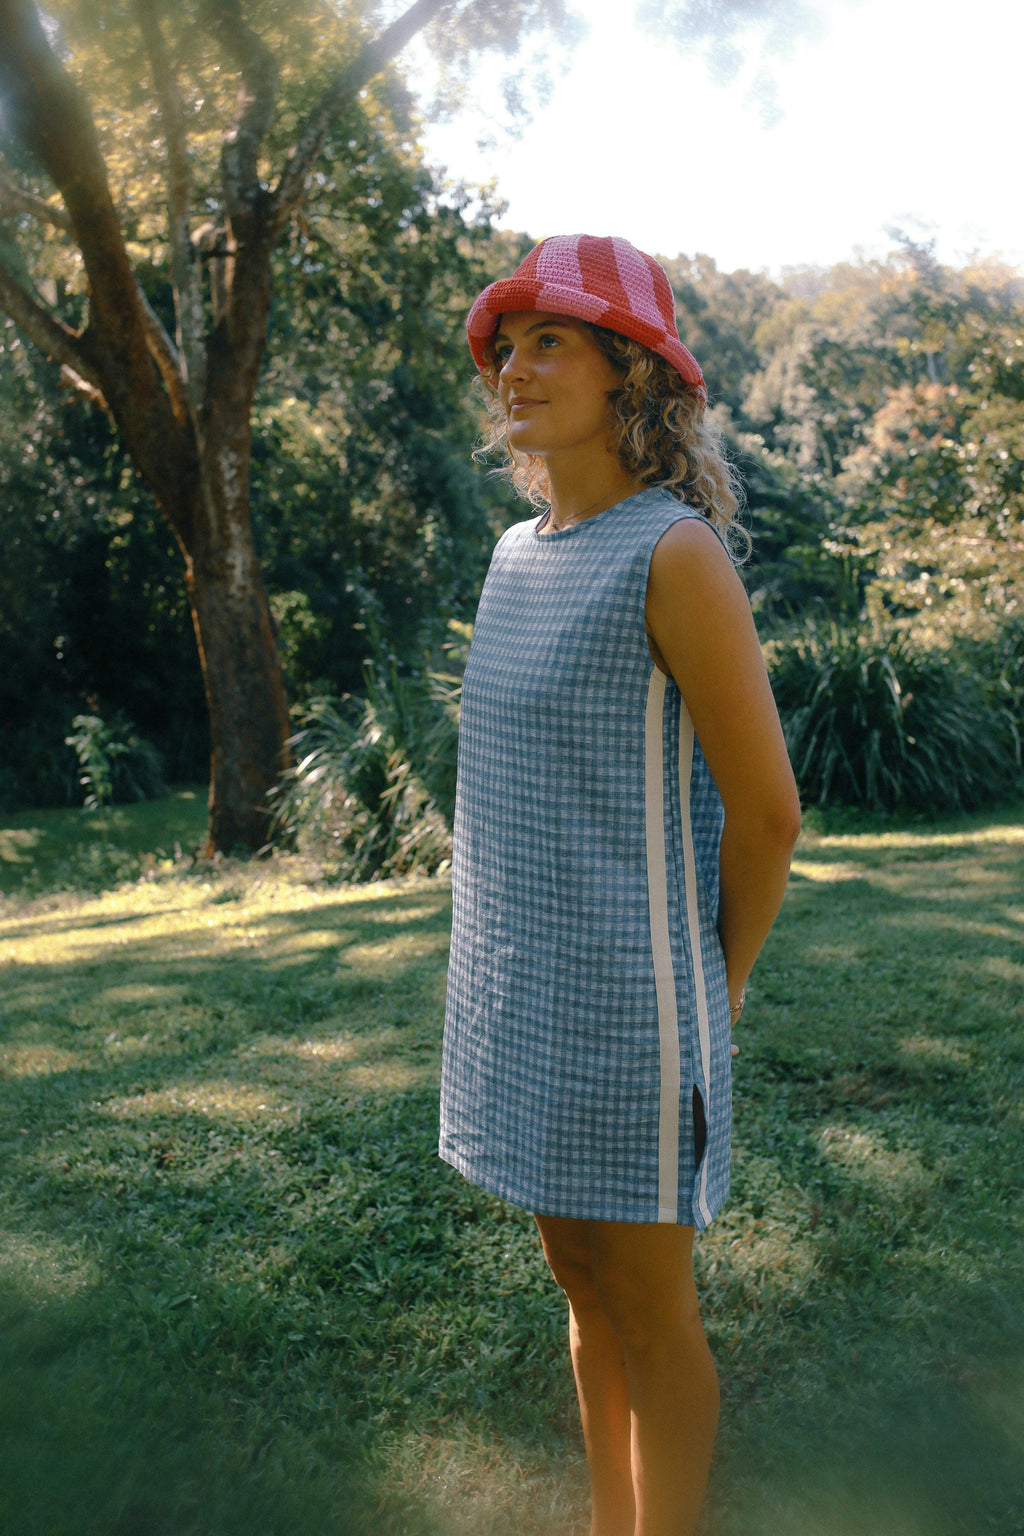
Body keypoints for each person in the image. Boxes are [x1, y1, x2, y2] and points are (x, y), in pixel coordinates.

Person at [439, 234, 801, 1536]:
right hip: (524, 1014)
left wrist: (722, 987)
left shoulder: (674, 555)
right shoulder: (514, 555)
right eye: (510, 344)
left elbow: (769, 813)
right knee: (582, 1296)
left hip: (633, 1021)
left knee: (653, 1316)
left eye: (553, 341)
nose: (516, 368)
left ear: (628, 375)